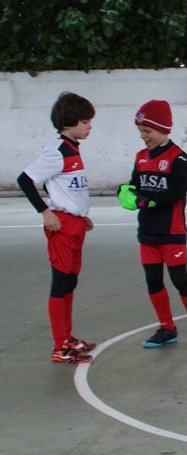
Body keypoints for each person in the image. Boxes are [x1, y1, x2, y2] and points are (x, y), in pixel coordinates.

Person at [118, 99, 187, 348]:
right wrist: (125, 192)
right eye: (140, 131)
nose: (144, 137)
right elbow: (134, 185)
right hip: (147, 233)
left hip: (171, 232)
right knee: (153, 280)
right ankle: (166, 327)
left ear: (164, 129)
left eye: (147, 131)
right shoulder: (141, 157)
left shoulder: (178, 158)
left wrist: (147, 202)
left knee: (180, 279)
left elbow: (175, 191)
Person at [17, 92, 97, 363]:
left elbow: (69, 188)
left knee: (70, 281)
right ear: (70, 122)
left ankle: (68, 337)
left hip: (75, 224)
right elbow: (25, 180)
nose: (89, 127)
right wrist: (46, 212)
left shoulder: (73, 149)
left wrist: (81, 214)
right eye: (85, 122)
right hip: (61, 226)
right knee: (61, 282)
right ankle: (59, 345)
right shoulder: (57, 151)